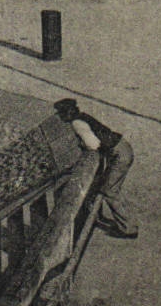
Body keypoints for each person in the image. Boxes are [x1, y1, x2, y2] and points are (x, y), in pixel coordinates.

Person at [53, 98, 137, 239]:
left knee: (109, 191)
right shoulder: (83, 116)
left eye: (61, 114)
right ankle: (109, 219)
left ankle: (129, 229)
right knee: (107, 186)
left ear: (67, 114)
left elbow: (93, 145)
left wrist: (82, 146)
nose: (60, 117)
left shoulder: (77, 123)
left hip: (120, 155)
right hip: (122, 148)